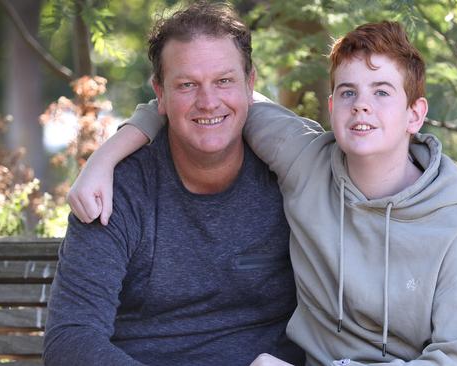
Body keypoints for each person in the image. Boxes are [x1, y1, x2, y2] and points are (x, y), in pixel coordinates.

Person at [66, 12, 457, 366]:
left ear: (415, 115)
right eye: (348, 93)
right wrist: (107, 155)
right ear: (331, 104)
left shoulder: (447, 224)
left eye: (382, 92)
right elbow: (72, 340)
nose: (362, 105)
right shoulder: (304, 161)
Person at [43, 3, 304, 365]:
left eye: (224, 81)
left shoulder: (293, 177)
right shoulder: (118, 192)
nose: (209, 101)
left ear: (250, 85)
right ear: (160, 93)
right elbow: (70, 338)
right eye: (187, 85)